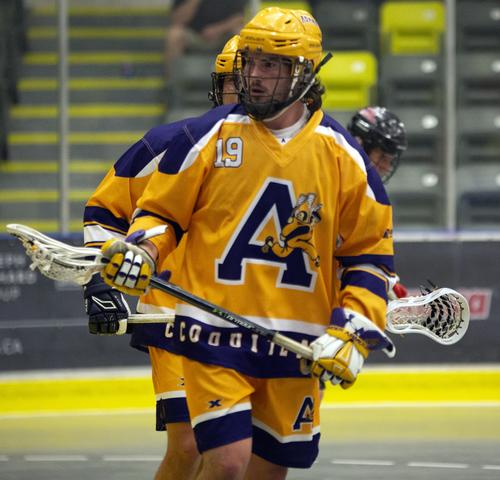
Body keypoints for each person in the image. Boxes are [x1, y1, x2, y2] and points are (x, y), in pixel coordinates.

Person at [100, 7, 395, 479]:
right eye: (251, 62)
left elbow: (368, 258)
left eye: (271, 64)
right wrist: (144, 250)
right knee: (225, 462)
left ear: (304, 72)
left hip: (295, 340)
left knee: (267, 472)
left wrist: (353, 333)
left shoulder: (345, 158)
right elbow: (161, 213)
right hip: (212, 331)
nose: (255, 75)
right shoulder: (207, 136)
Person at [83, 36, 240, 480]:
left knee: (238, 454)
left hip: (249, 316)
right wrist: (99, 280)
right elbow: (104, 211)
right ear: (219, 86)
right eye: (235, 80)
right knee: (189, 446)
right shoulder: (174, 142)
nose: (247, 89)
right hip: (176, 315)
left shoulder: (290, 156)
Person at [347, 106, 409, 298]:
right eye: (382, 156)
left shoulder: (370, 193)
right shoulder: (342, 188)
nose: (386, 166)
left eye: (390, 160)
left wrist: (388, 282)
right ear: (359, 145)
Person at [164, 0, 248, 79]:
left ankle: (242, 82)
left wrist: (217, 30)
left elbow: (239, 17)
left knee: (240, 32)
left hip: (223, 35)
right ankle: (172, 82)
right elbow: (177, 20)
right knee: (174, 34)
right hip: (194, 36)